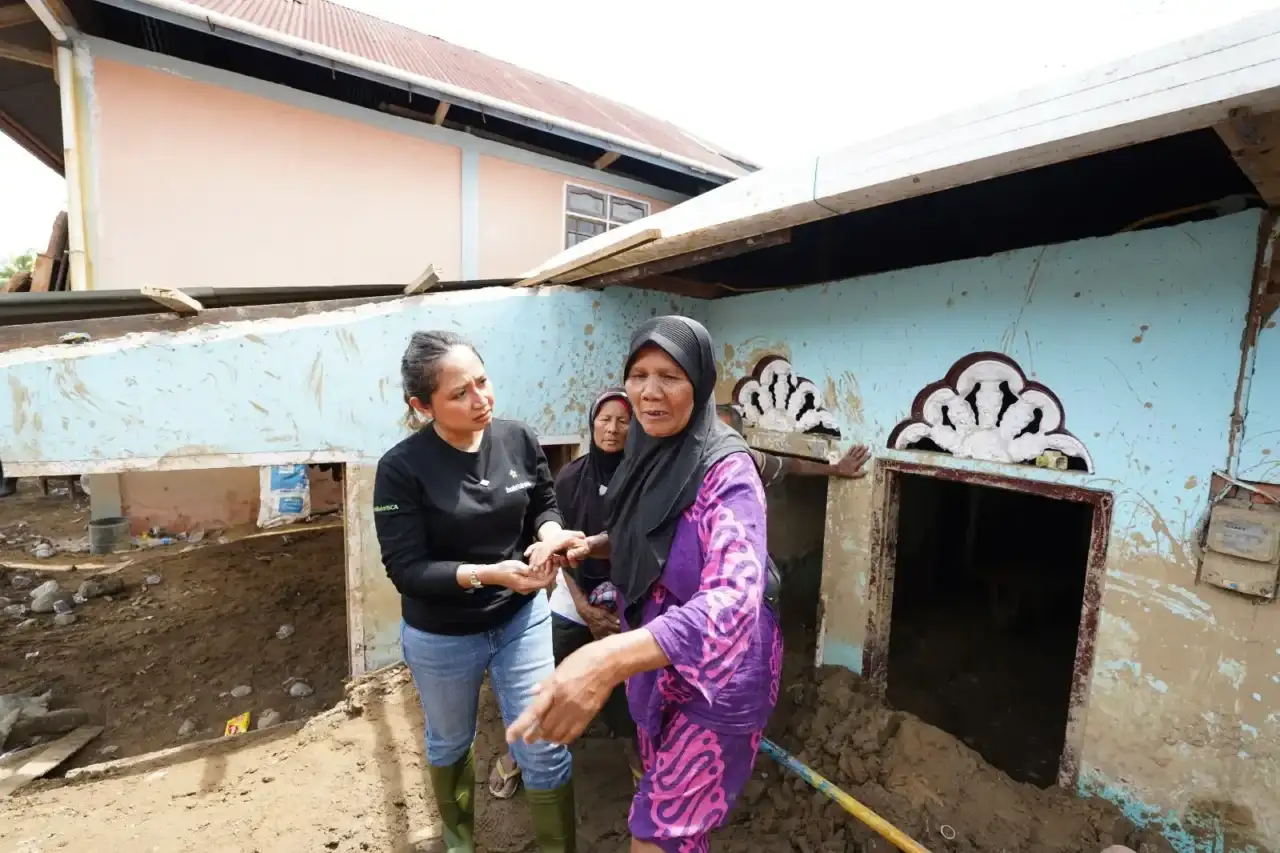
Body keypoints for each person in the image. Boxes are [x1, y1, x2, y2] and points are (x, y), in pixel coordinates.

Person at [508, 315, 782, 853]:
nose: (650, 393)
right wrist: (594, 544)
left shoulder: (726, 470)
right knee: (679, 832)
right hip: (657, 660)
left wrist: (605, 659)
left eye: (670, 377)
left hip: (720, 676)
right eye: (639, 374)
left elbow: (733, 601)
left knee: (656, 836)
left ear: (700, 383)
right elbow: (653, 530)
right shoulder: (646, 451)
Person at [373, 330, 580, 853]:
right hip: (442, 634)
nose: (480, 399)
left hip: (520, 619)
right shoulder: (400, 470)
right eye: (459, 393)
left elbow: (543, 504)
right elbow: (407, 570)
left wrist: (550, 536)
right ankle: (460, 842)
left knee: (544, 745)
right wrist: (487, 574)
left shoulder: (518, 439)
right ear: (422, 406)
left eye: (483, 382)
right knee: (449, 741)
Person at [489, 388, 640, 800]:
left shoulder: (645, 477)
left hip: (632, 595)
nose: (612, 429)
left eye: (623, 421)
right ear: (592, 424)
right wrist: (582, 605)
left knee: (629, 679)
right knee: (542, 669)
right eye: (604, 420)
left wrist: (614, 610)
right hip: (576, 589)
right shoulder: (572, 478)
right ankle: (523, 752)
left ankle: (638, 763)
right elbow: (559, 554)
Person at [715, 404, 871, 487]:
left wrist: (837, 469)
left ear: (739, 440)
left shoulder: (749, 459)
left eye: (724, 435)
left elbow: (791, 465)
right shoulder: (692, 457)